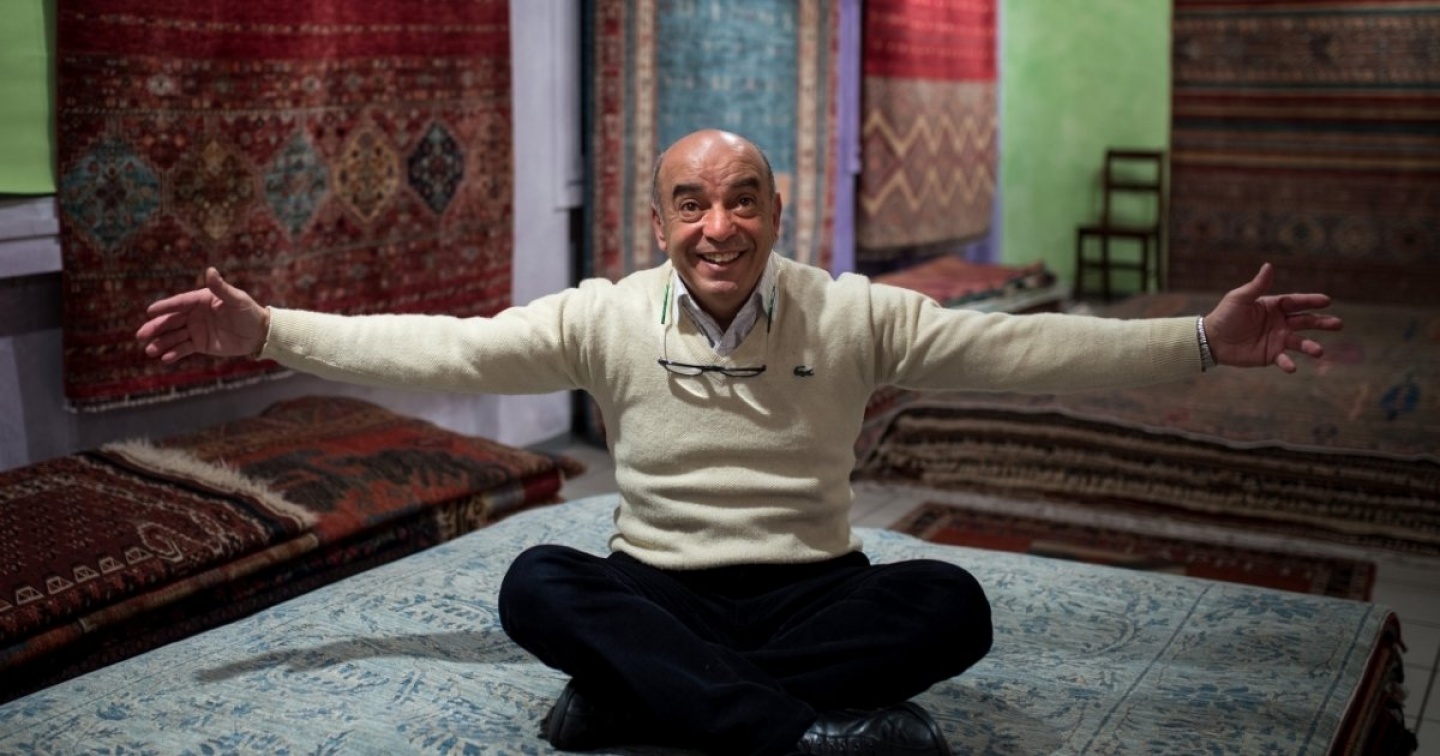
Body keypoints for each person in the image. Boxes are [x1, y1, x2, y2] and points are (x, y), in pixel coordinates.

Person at [136, 129, 1342, 756]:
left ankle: (645, 702)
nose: (720, 226)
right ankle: (794, 737)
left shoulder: (852, 313)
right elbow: (450, 350)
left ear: (775, 208)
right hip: (657, 586)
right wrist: (267, 330)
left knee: (953, 605)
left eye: (743, 198)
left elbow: (1024, 352)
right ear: (659, 220)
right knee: (536, 580)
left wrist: (1200, 340)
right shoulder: (607, 314)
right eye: (693, 203)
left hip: (817, 589)